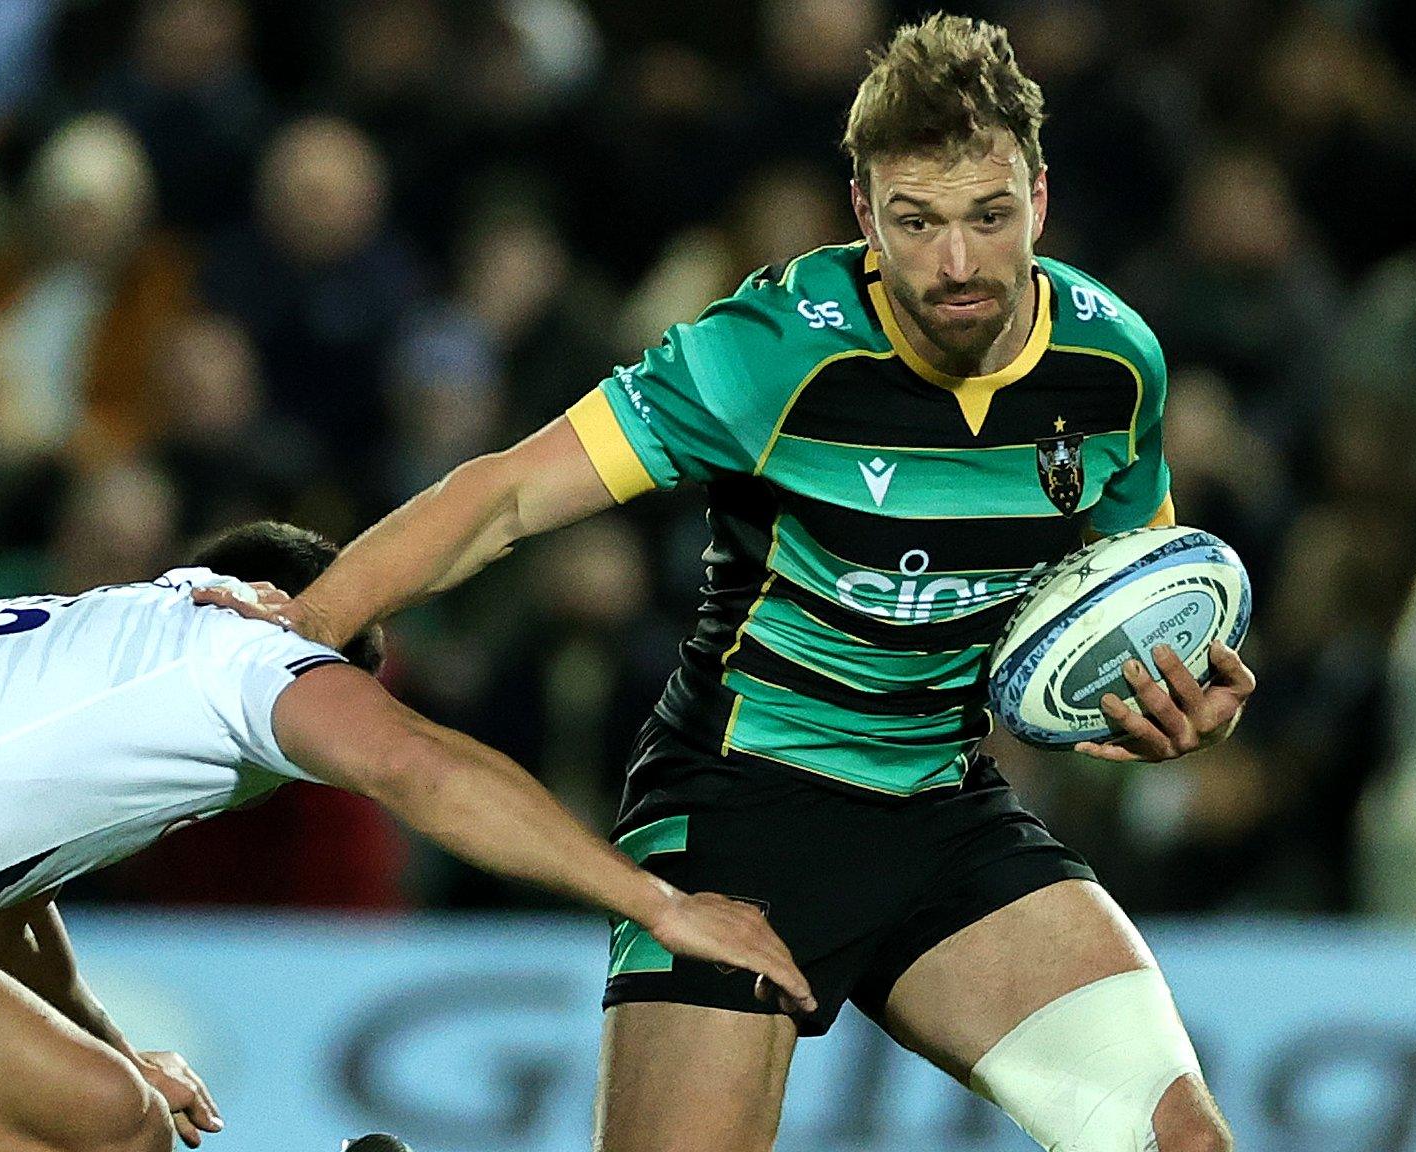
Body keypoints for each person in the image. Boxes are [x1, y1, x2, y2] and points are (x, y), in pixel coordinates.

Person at [231, 14, 1255, 1152]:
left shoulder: (1114, 365)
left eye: (988, 217)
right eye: (915, 223)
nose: (957, 263)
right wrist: (307, 623)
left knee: (1183, 1144)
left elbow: (1118, 597)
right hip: (738, 815)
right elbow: (510, 495)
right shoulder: (770, 350)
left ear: (1040, 199)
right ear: (863, 213)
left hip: (945, 813)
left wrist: (1163, 703)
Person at [0, 520, 812, 1152]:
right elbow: (421, 769)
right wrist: (659, 903)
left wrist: (110, 1043)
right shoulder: (247, 658)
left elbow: (9, 877)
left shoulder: (88, 630)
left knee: (104, 1117)